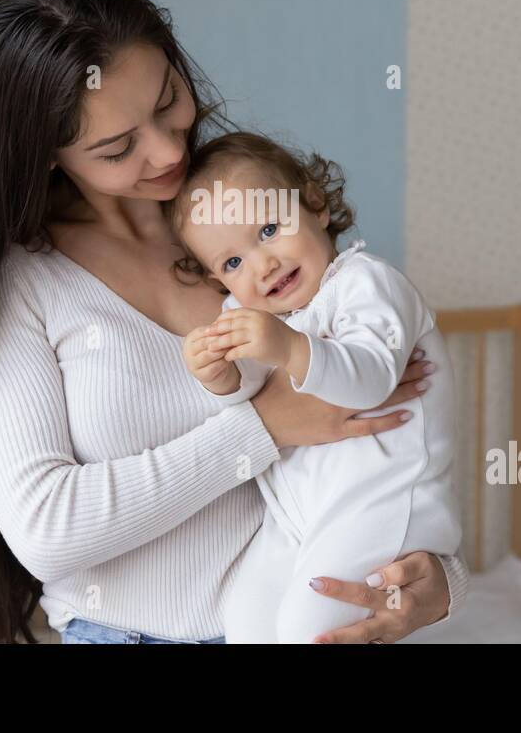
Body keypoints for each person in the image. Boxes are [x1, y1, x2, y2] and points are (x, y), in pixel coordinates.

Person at [0, 0, 468, 643]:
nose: (170, 149)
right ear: (48, 156)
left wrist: (441, 583)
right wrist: (262, 427)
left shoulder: (242, 224)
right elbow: (47, 531)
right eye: (117, 148)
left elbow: (379, 450)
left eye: (169, 99)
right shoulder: (30, 284)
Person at [171, 132, 463, 643]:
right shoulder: (255, 316)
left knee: (310, 625)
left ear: (314, 203)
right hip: (299, 516)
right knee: (244, 615)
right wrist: (221, 379)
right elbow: (256, 400)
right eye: (233, 263)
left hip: (384, 499)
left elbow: (372, 376)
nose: (263, 266)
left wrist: (286, 347)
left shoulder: (366, 283)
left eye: (268, 228)